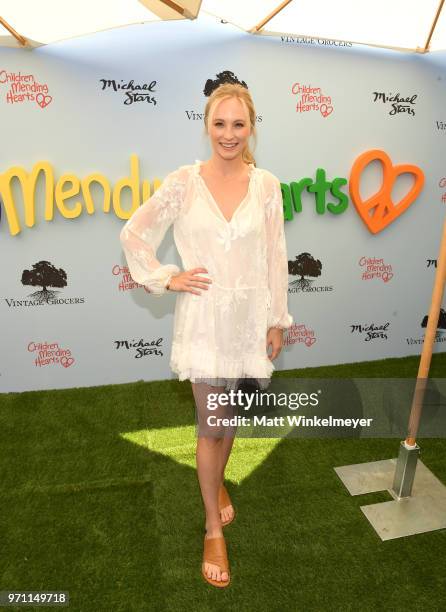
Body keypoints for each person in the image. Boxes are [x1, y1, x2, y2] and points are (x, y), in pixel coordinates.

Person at [120, 80, 293, 588]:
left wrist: (276, 320)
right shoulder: (183, 182)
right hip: (202, 320)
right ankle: (212, 528)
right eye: (220, 123)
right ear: (206, 126)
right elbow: (133, 232)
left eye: (238, 124)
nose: (229, 134)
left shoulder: (266, 187)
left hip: (247, 321)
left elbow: (275, 257)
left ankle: (216, 486)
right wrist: (164, 277)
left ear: (251, 127)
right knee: (210, 423)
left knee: (230, 415)